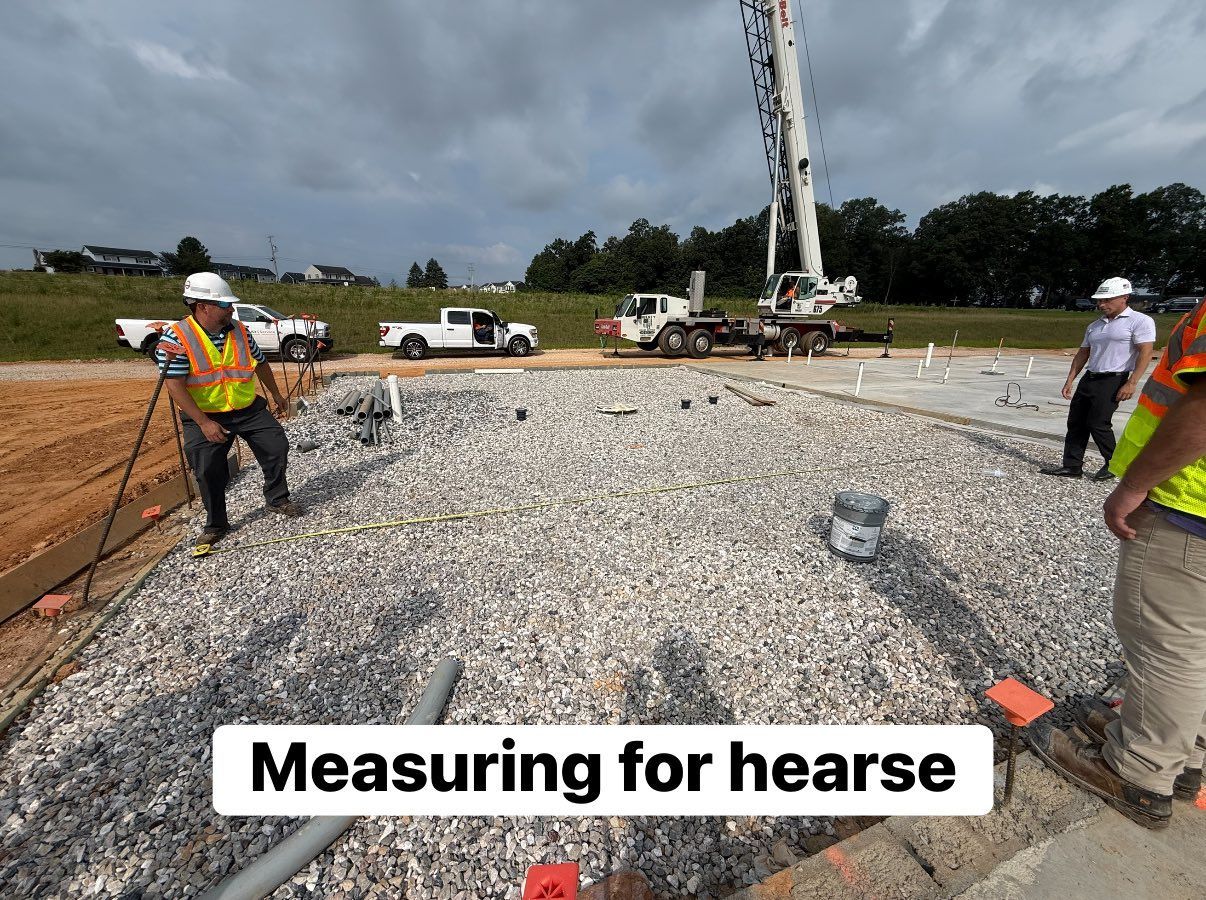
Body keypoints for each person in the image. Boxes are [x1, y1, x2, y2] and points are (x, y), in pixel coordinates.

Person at [1029, 296, 1206, 829]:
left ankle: (1140, 772)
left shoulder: (1140, 324)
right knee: (1194, 641)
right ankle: (1182, 754)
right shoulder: (1096, 324)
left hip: (1187, 504)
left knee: (1165, 645)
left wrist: (1134, 483)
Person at [155, 272, 302, 547]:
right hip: (205, 414)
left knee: (276, 446)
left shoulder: (240, 330)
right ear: (203, 306)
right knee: (207, 467)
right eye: (225, 304)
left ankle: (277, 497)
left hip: (247, 408)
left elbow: (260, 363)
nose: (231, 309)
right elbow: (174, 386)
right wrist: (203, 423)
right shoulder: (177, 337)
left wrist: (276, 395)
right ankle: (216, 523)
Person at [1041, 277, 1155, 481]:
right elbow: (1083, 353)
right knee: (1076, 422)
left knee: (1098, 423)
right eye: (1100, 301)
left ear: (1124, 298)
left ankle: (1113, 463)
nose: (1102, 305)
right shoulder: (1095, 325)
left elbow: (1145, 353)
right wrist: (1070, 380)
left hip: (1114, 379)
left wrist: (1132, 382)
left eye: (1107, 300)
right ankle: (1072, 465)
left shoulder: (1140, 321)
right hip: (1090, 377)